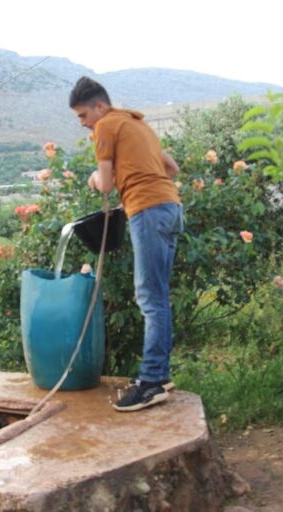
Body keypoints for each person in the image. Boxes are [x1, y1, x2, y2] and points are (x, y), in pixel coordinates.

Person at [69, 76, 184, 412]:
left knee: (150, 298)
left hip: (148, 211)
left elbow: (104, 184)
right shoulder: (139, 125)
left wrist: (95, 180)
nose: (82, 123)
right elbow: (171, 168)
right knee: (158, 296)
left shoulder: (105, 127)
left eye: (82, 115)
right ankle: (158, 376)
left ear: (99, 106)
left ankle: (151, 382)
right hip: (171, 208)